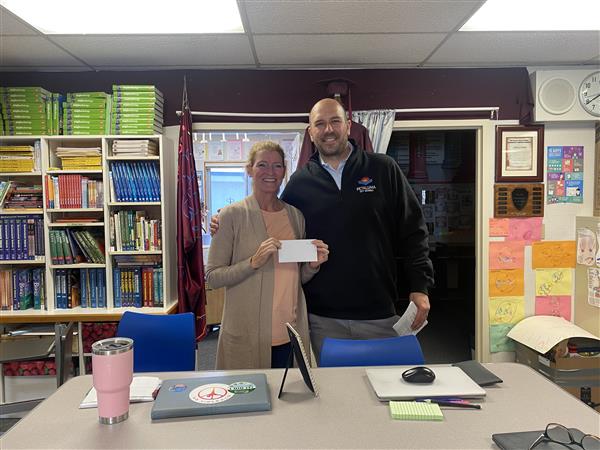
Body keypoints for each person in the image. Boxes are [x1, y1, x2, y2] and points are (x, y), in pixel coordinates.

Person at [213, 98, 434, 362]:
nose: (328, 130)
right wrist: (225, 219)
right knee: (333, 395)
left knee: (381, 393)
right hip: (322, 319)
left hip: (379, 313)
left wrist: (420, 286)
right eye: (320, 124)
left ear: (348, 126)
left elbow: (414, 231)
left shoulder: (383, 169)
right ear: (311, 132)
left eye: (335, 121)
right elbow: (275, 218)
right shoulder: (301, 182)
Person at [205, 141, 329, 370]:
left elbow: (294, 279)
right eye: (262, 165)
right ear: (249, 169)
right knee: (249, 402)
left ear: (284, 171)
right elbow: (213, 277)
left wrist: (312, 267)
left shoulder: (296, 217)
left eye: (277, 166)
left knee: (291, 403)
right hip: (247, 335)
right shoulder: (230, 216)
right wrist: (253, 262)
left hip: (291, 333)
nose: (270, 172)